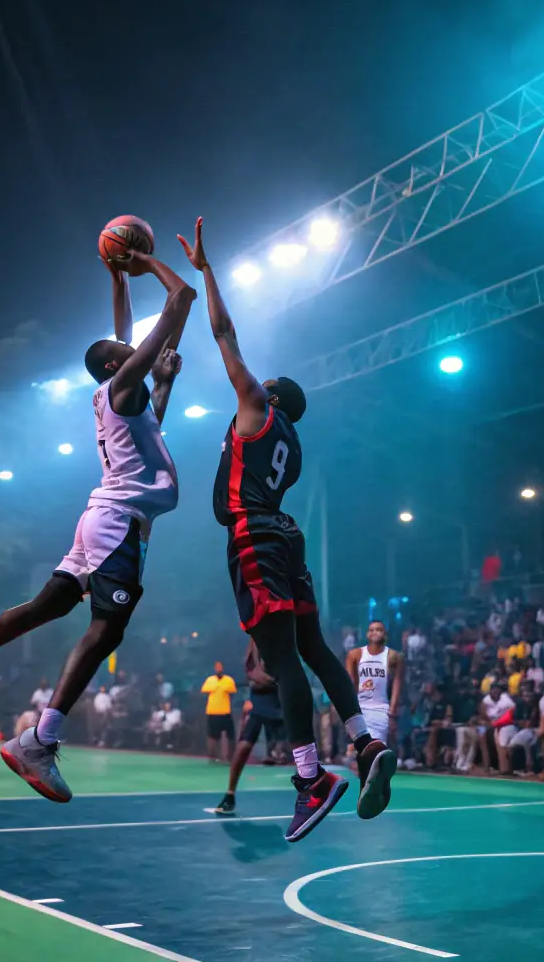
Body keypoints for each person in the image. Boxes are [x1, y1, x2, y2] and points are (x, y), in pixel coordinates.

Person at [0, 247, 194, 801]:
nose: (131, 346)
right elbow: (182, 299)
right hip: (118, 522)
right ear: (116, 365)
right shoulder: (120, 385)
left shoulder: (124, 393)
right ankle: (40, 738)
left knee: (48, 607)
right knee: (107, 629)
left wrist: (117, 280)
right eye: (125, 350)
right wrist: (145, 260)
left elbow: (131, 351)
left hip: (103, 518)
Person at [177, 217, 394, 842]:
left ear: (270, 394)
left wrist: (207, 271)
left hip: (254, 537)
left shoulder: (255, 407)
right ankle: (365, 745)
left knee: (281, 659)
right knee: (317, 650)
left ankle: (310, 779)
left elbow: (222, 331)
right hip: (284, 536)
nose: (254, 377)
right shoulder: (292, 449)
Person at [214, 641, 286, 815]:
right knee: (244, 745)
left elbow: (288, 671)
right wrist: (268, 680)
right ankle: (230, 794)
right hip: (261, 700)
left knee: (293, 746)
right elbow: (251, 672)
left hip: (282, 698)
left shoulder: (285, 632)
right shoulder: (255, 637)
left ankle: (312, 791)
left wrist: (277, 681)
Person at [346, 620, 404, 751]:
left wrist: (393, 711)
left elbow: (397, 683)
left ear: (385, 634)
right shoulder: (355, 654)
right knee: (355, 749)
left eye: (378, 630)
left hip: (381, 708)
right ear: (367, 634)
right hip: (359, 708)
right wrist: (349, 708)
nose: (374, 632)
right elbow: (351, 683)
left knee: (377, 750)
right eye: (371, 630)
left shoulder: (393, 656)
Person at [201, 662, 238, 762]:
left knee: (230, 735)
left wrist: (222, 688)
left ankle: (230, 756)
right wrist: (216, 687)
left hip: (225, 711)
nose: (219, 669)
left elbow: (233, 690)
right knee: (213, 735)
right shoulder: (210, 680)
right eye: (217, 667)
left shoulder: (228, 680)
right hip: (213, 711)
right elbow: (204, 689)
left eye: (220, 667)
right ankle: (214, 756)